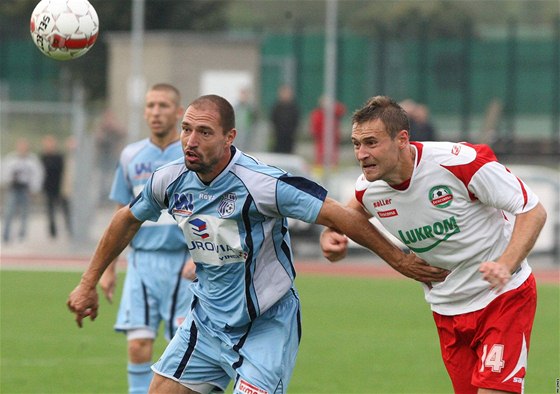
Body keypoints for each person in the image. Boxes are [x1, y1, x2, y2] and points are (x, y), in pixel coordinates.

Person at [68, 94, 447, 394]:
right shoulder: (168, 180)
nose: (190, 141)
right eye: (186, 130)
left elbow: (337, 214)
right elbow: (126, 219)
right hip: (206, 322)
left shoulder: (262, 184)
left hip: (266, 324)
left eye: (203, 132)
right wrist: (88, 281)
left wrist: (400, 261)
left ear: (229, 137)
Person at [320, 95, 547, 394]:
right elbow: (346, 218)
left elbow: (533, 210)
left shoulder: (459, 163)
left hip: (502, 298)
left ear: (402, 139)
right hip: (447, 309)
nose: (361, 154)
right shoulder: (369, 190)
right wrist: (331, 236)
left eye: (371, 143)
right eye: (356, 144)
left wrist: (505, 264)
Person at [98, 83, 195, 394]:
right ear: (144, 112)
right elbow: (120, 214)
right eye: (151, 106)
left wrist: (200, 255)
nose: (156, 112)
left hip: (185, 263)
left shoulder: (192, 155)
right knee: (138, 344)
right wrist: (109, 268)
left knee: (186, 352)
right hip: (142, 262)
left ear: (179, 113)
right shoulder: (131, 155)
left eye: (163, 106)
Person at [1, 138, 44, 243]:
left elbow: (37, 175)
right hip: (14, 188)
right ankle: (6, 234)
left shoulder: (32, 160)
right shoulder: (11, 159)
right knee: (9, 212)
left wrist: (34, 189)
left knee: (24, 213)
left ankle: (22, 235)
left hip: (26, 189)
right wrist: (9, 180)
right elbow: (4, 172)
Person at [40, 134, 71, 238]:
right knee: (50, 210)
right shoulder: (43, 157)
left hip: (60, 187)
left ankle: (70, 228)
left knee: (65, 209)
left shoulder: (59, 157)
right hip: (49, 188)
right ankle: (52, 231)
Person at [95, 108, 126, 203]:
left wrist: (114, 127)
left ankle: (112, 197)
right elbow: (98, 139)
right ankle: (103, 197)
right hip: (103, 157)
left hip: (113, 156)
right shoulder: (101, 128)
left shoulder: (115, 127)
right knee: (102, 178)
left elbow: (123, 133)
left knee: (113, 178)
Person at [309, 94, 346, 167]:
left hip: (333, 140)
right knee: (320, 158)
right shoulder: (317, 114)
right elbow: (314, 128)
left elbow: (342, 110)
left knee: (333, 158)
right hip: (321, 140)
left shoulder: (333, 112)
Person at [270, 84, 300, 154]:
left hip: (290, 137)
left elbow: (296, 120)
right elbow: (273, 119)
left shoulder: (294, 107)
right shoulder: (276, 107)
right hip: (278, 136)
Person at [233, 87, 257, 151]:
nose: (243, 97)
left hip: (247, 131)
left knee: (246, 147)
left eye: (245, 95)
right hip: (237, 130)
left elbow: (254, 119)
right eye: (242, 94)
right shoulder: (235, 107)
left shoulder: (250, 108)